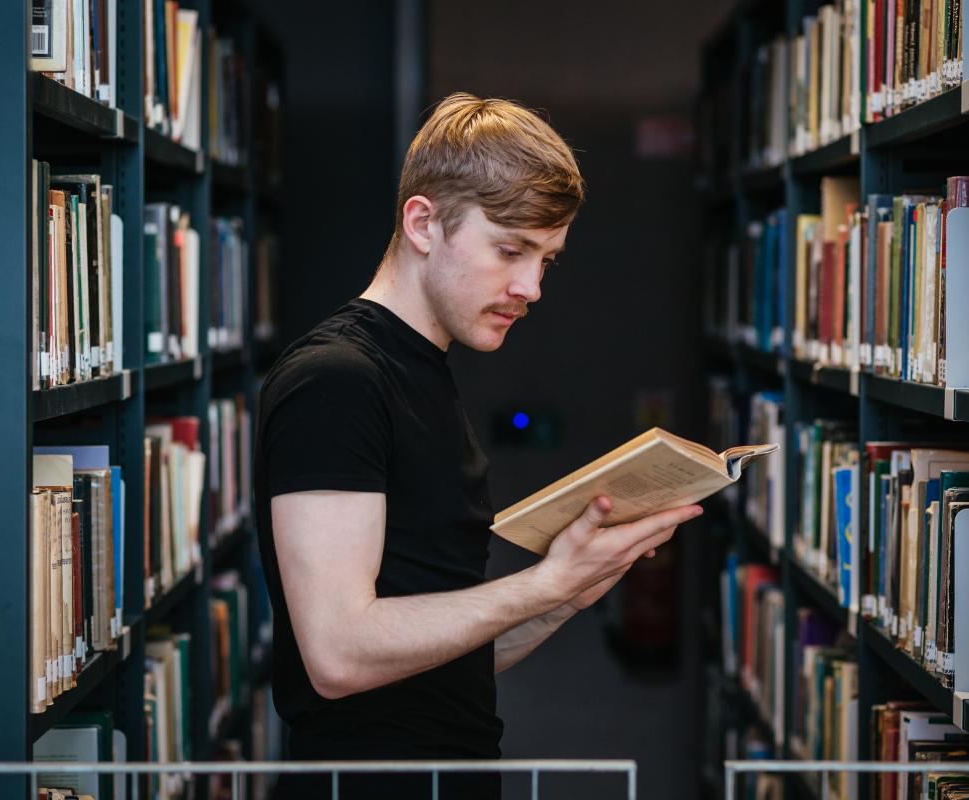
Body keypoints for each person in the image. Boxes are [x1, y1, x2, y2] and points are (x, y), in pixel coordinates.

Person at [254, 93, 704, 799]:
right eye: (510, 249)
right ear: (424, 222)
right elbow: (338, 653)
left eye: (546, 260)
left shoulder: (426, 370)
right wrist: (539, 584)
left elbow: (445, 657)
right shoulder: (336, 380)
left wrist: (569, 591)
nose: (530, 287)